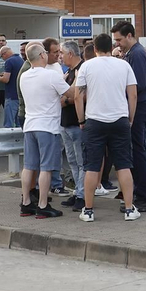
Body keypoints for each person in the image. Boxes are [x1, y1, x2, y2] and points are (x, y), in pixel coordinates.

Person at [74, 33, 139, 222]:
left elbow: (78, 96)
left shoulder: (86, 66)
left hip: (94, 121)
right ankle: (129, 209)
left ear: (94, 49)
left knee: (92, 166)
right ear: (112, 47)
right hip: (119, 119)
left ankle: (88, 210)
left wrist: (81, 120)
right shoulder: (124, 65)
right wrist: (130, 118)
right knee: (123, 165)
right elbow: (132, 95)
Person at [16, 42, 68, 218]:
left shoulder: (24, 76)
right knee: (46, 167)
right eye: (45, 52)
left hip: (30, 125)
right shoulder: (51, 75)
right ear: (42, 56)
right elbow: (69, 93)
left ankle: (26, 202)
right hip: (48, 126)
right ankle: (43, 204)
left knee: (29, 166)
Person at [112, 22, 146, 214]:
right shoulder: (133, 53)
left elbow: (135, 85)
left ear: (129, 35)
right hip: (136, 108)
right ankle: (141, 193)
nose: (118, 44)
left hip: (138, 109)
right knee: (137, 151)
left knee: (138, 152)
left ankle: (144, 196)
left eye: (120, 39)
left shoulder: (137, 54)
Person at [58, 42, 86, 209]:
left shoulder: (81, 69)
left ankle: (83, 195)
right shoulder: (68, 71)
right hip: (65, 122)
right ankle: (77, 191)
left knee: (81, 161)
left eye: (62, 52)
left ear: (70, 53)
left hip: (77, 123)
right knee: (72, 161)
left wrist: (66, 99)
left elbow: (79, 95)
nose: (60, 56)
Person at [1, 45, 24, 128]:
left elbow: (6, 79)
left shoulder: (9, 61)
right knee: (19, 124)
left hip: (11, 96)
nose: (2, 58)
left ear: (4, 54)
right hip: (19, 96)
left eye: (1, 56)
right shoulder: (20, 60)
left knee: (8, 123)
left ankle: (8, 141)